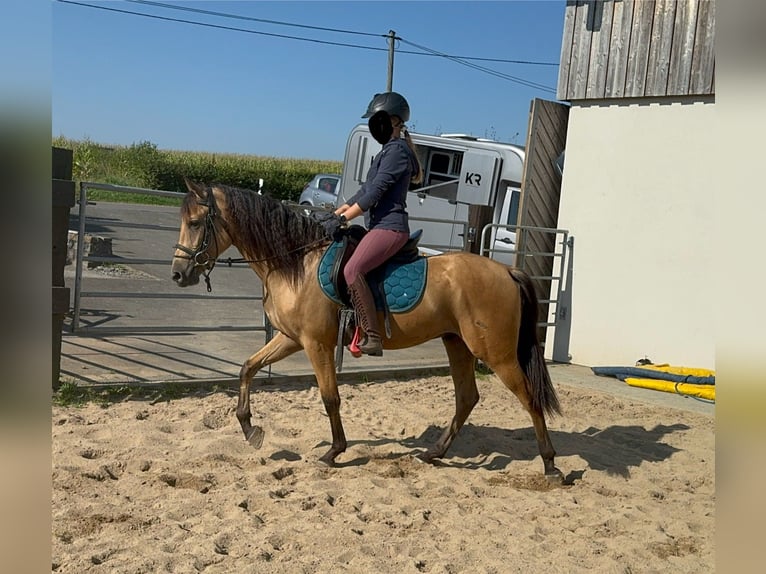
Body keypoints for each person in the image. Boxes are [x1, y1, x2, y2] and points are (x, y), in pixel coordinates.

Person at [319, 92, 423, 356]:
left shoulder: (397, 152)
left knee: (353, 270)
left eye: (377, 121)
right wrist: (339, 210)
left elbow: (375, 193)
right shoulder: (385, 152)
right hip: (378, 226)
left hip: (391, 228)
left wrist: (345, 218)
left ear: (394, 121)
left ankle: (373, 336)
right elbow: (365, 190)